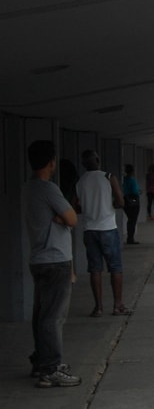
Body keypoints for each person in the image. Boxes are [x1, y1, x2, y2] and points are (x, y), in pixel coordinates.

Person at [22, 140, 82, 387]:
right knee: (54, 317)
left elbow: (64, 218)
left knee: (41, 314)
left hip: (38, 259)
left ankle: (41, 361)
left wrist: (61, 218)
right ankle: (51, 368)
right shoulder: (49, 189)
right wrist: (63, 217)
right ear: (51, 162)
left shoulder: (29, 188)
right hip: (56, 259)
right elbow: (72, 218)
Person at [75, 150, 132, 317]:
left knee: (95, 269)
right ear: (98, 160)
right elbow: (121, 202)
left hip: (89, 230)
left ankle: (98, 307)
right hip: (108, 228)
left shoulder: (80, 182)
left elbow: (76, 206)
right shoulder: (108, 177)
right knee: (115, 267)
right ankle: (117, 306)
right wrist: (109, 203)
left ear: (84, 164)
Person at [121, 164, 141, 244]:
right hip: (133, 201)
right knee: (133, 220)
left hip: (125, 200)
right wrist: (139, 192)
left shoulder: (124, 179)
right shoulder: (132, 180)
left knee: (130, 220)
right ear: (133, 171)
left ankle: (130, 237)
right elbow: (135, 191)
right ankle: (130, 238)